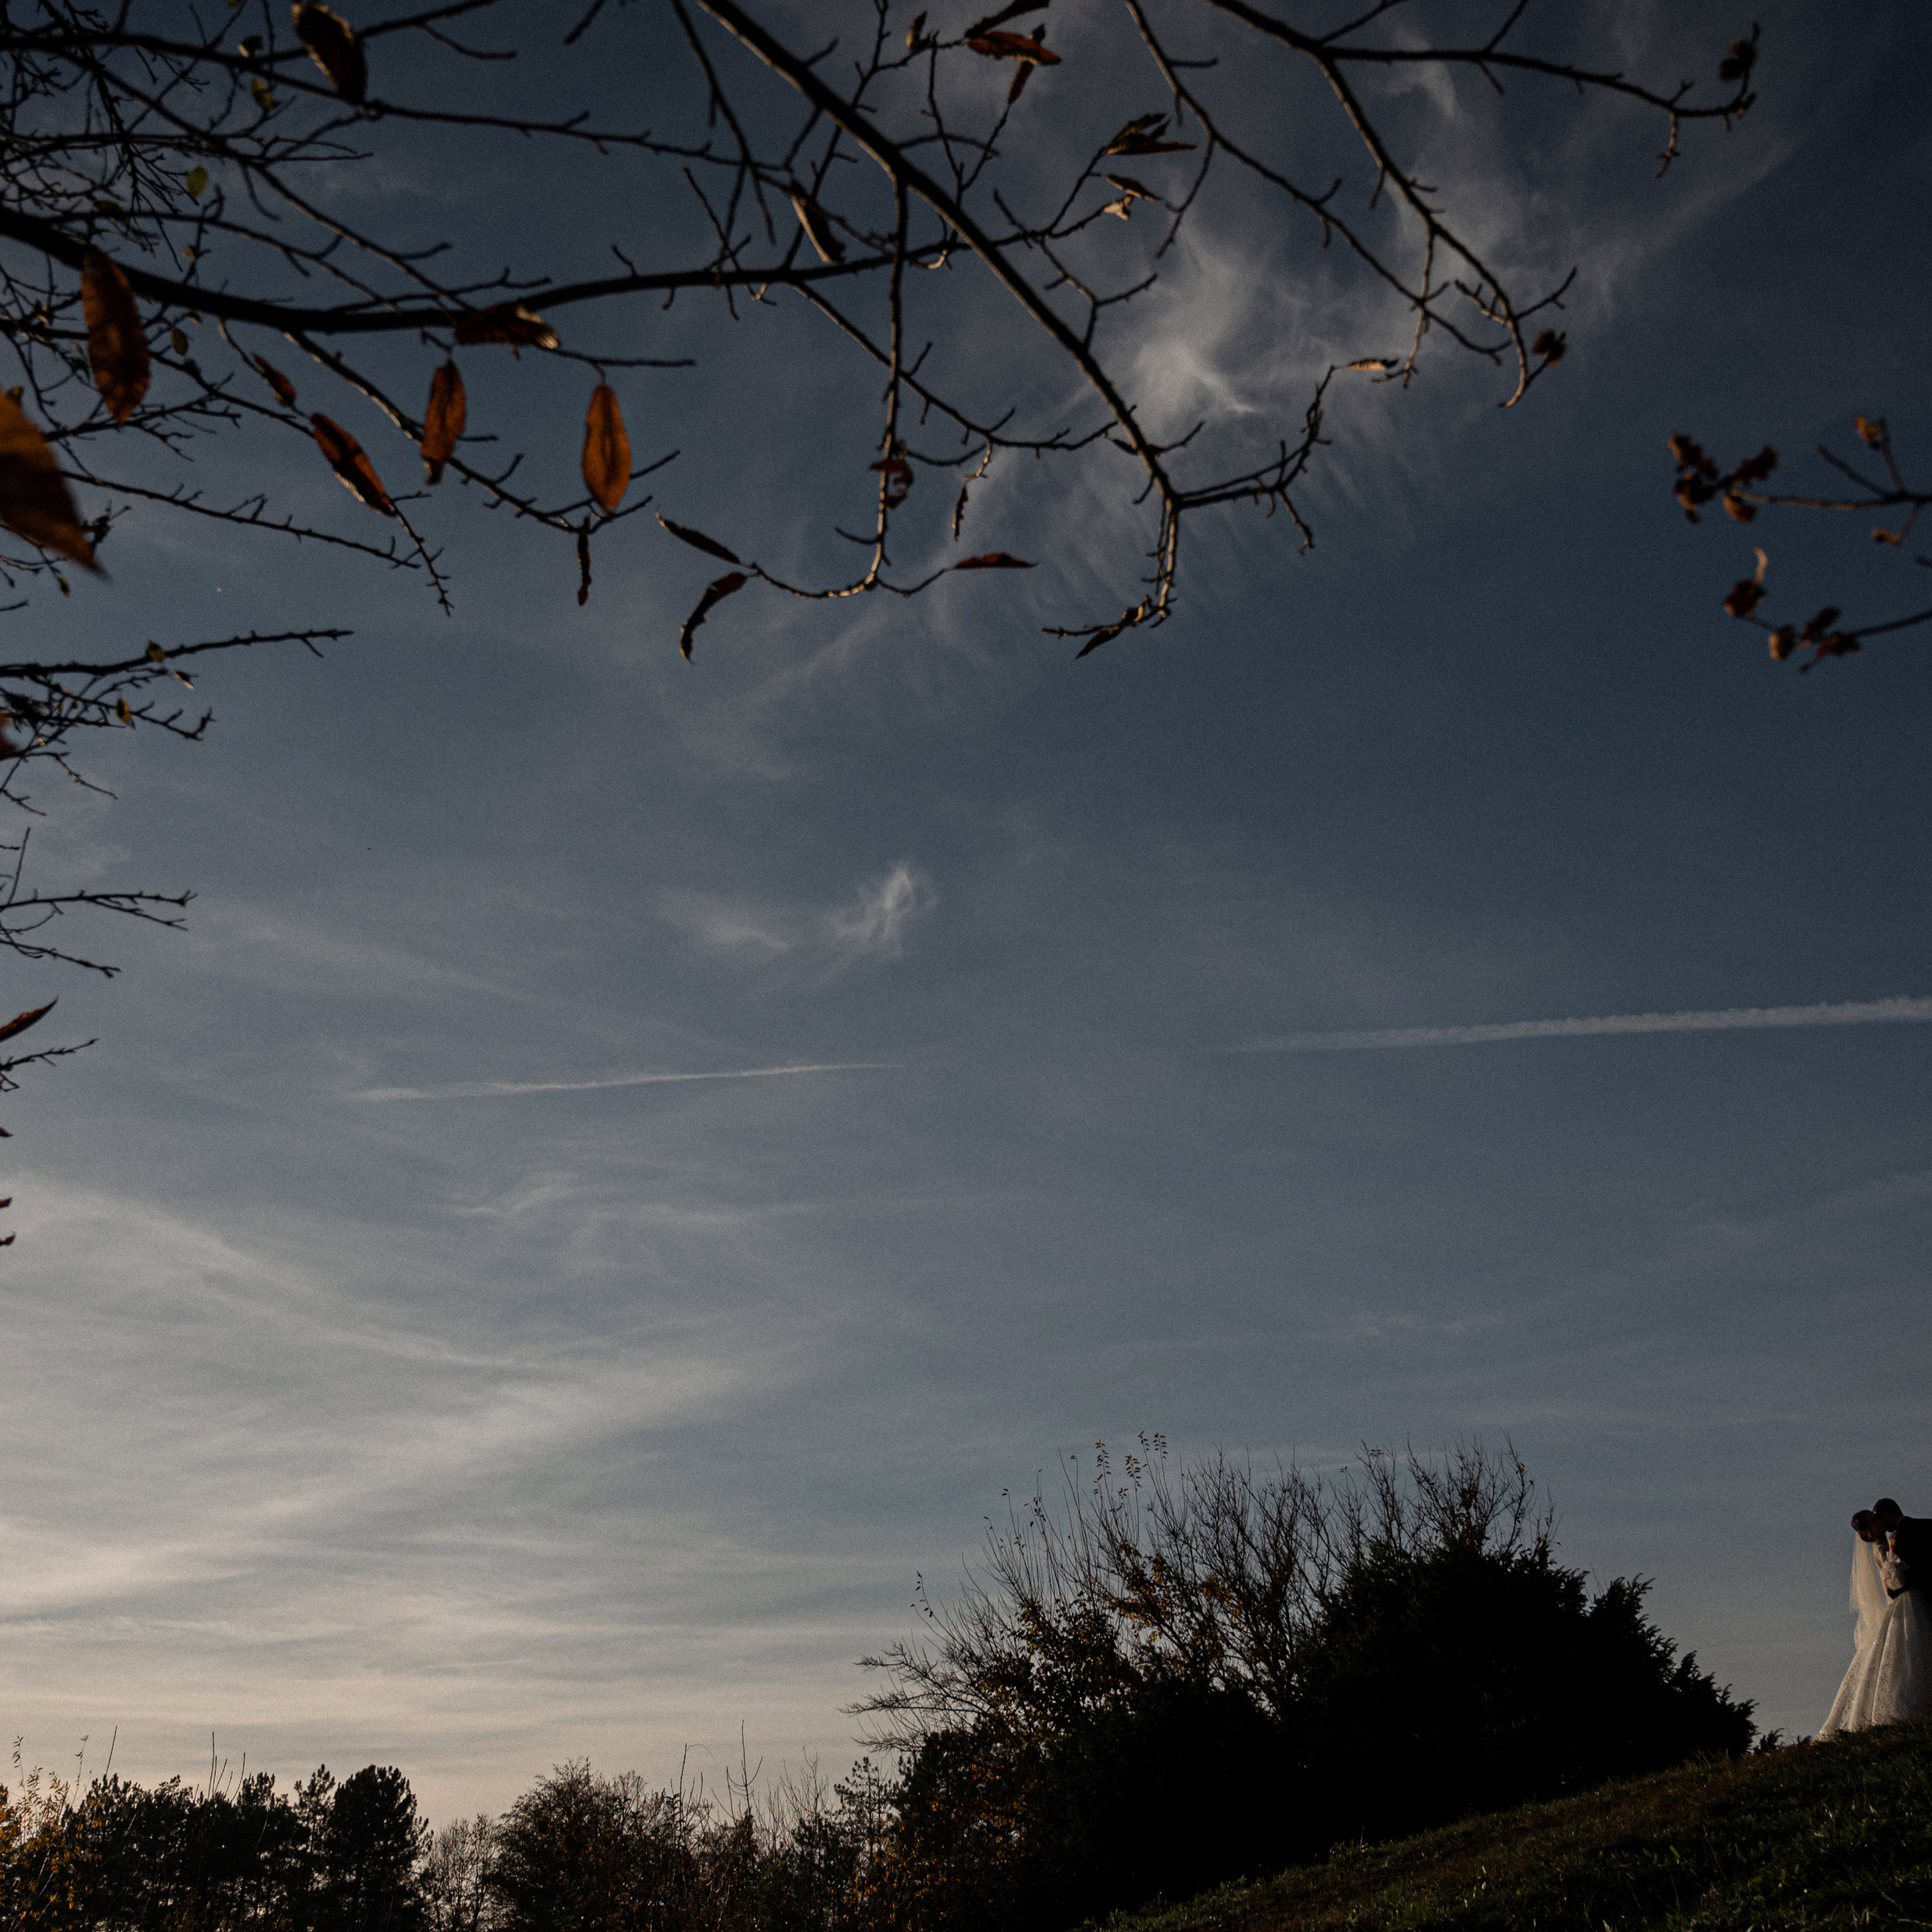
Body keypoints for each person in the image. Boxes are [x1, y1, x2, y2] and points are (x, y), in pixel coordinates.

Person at [1819, 1506, 1932, 1737]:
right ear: (1870, 1530)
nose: (1879, 1522)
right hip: (1906, 1603)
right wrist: (1891, 1549)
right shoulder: (1881, 1548)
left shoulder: (1884, 1544)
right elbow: (1895, 1582)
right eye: (1874, 1520)